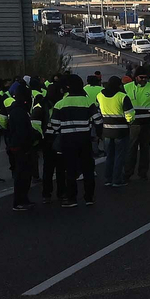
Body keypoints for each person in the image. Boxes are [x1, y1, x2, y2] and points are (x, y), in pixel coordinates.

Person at [51, 77, 99, 207]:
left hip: (68, 140)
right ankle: (89, 197)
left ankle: (72, 198)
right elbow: (98, 120)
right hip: (84, 139)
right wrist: (96, 134)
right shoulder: (88, 102)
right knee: (88, 169)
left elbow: (55, 125)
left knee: (70, 169)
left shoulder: (60, 104)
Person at [4, 87, 39, 212]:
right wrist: (33, 137)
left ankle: (23, 199)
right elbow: (22, 131)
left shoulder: (17, 110)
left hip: (19, 145)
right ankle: (19, 201)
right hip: (21, 147)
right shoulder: (19, 112)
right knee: (22, 175)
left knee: (24, 175)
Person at [96, 76, 136, 188]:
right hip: (121, 131)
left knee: (109, 155)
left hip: (107, 130)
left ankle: (108, 178)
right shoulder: (122, 96)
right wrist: (129, 121)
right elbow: (130, 115)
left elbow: (98, 111)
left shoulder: (100, 96)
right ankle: (117, 179)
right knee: (120, 156)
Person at [124, 70, 150, 180]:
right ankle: (128, 172)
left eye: (145, 77)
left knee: (145, 149)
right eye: (141, 77)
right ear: (136, 77)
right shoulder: (127, 87)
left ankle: (143, 173)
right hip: (133, 123)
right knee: (131, 149)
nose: (144, 79)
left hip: (147, 123)